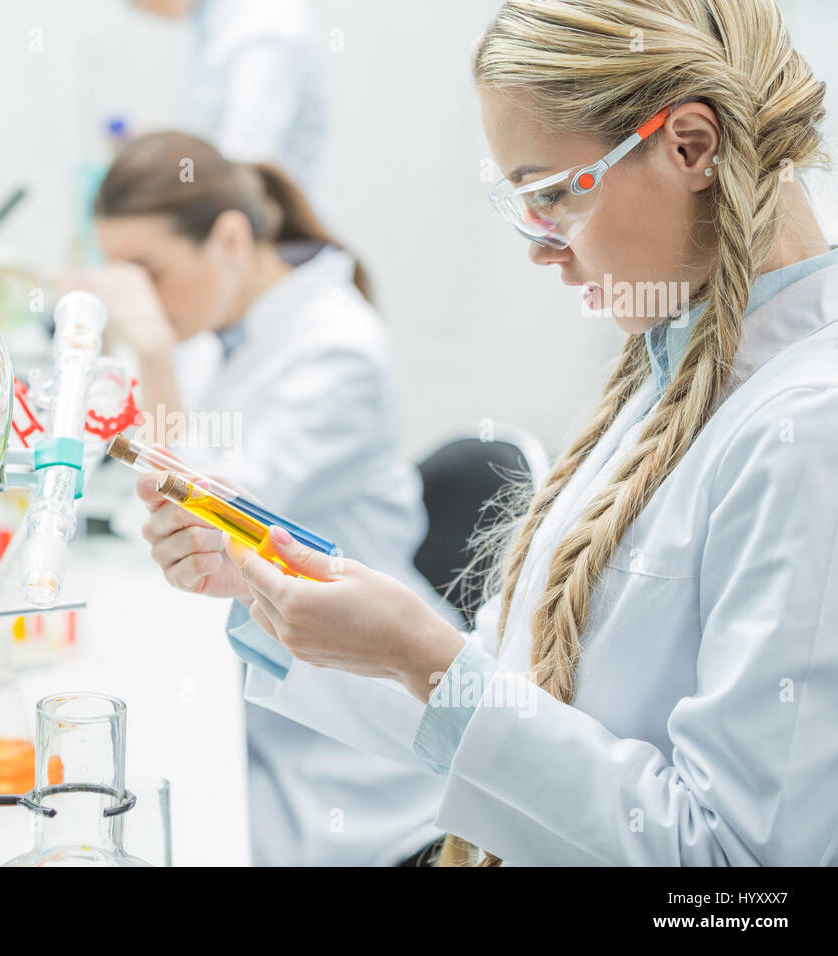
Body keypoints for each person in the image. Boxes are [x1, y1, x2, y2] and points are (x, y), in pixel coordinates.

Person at [140, 0, 838, 866]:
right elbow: (515, 708)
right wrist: (272, 592)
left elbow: (737, 876)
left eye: (553, 194)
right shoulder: (671, 368)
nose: (541, 249)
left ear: (691, 146)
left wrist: (427, 660)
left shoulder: (808, 432)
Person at [67, 130, 462, 866]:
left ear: (228, 238)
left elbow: (206, 511)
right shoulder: (229, 326)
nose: (138, 300)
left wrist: (150, 350)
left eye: (148, 272)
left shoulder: (337, 349)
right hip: (272, 675)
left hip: (352, 738)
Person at [129, 0, 326, 194]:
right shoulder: (214, 19)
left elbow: (247, 152)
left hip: (262, 209)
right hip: (234, 200)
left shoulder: (265, 24)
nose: (137, 7)